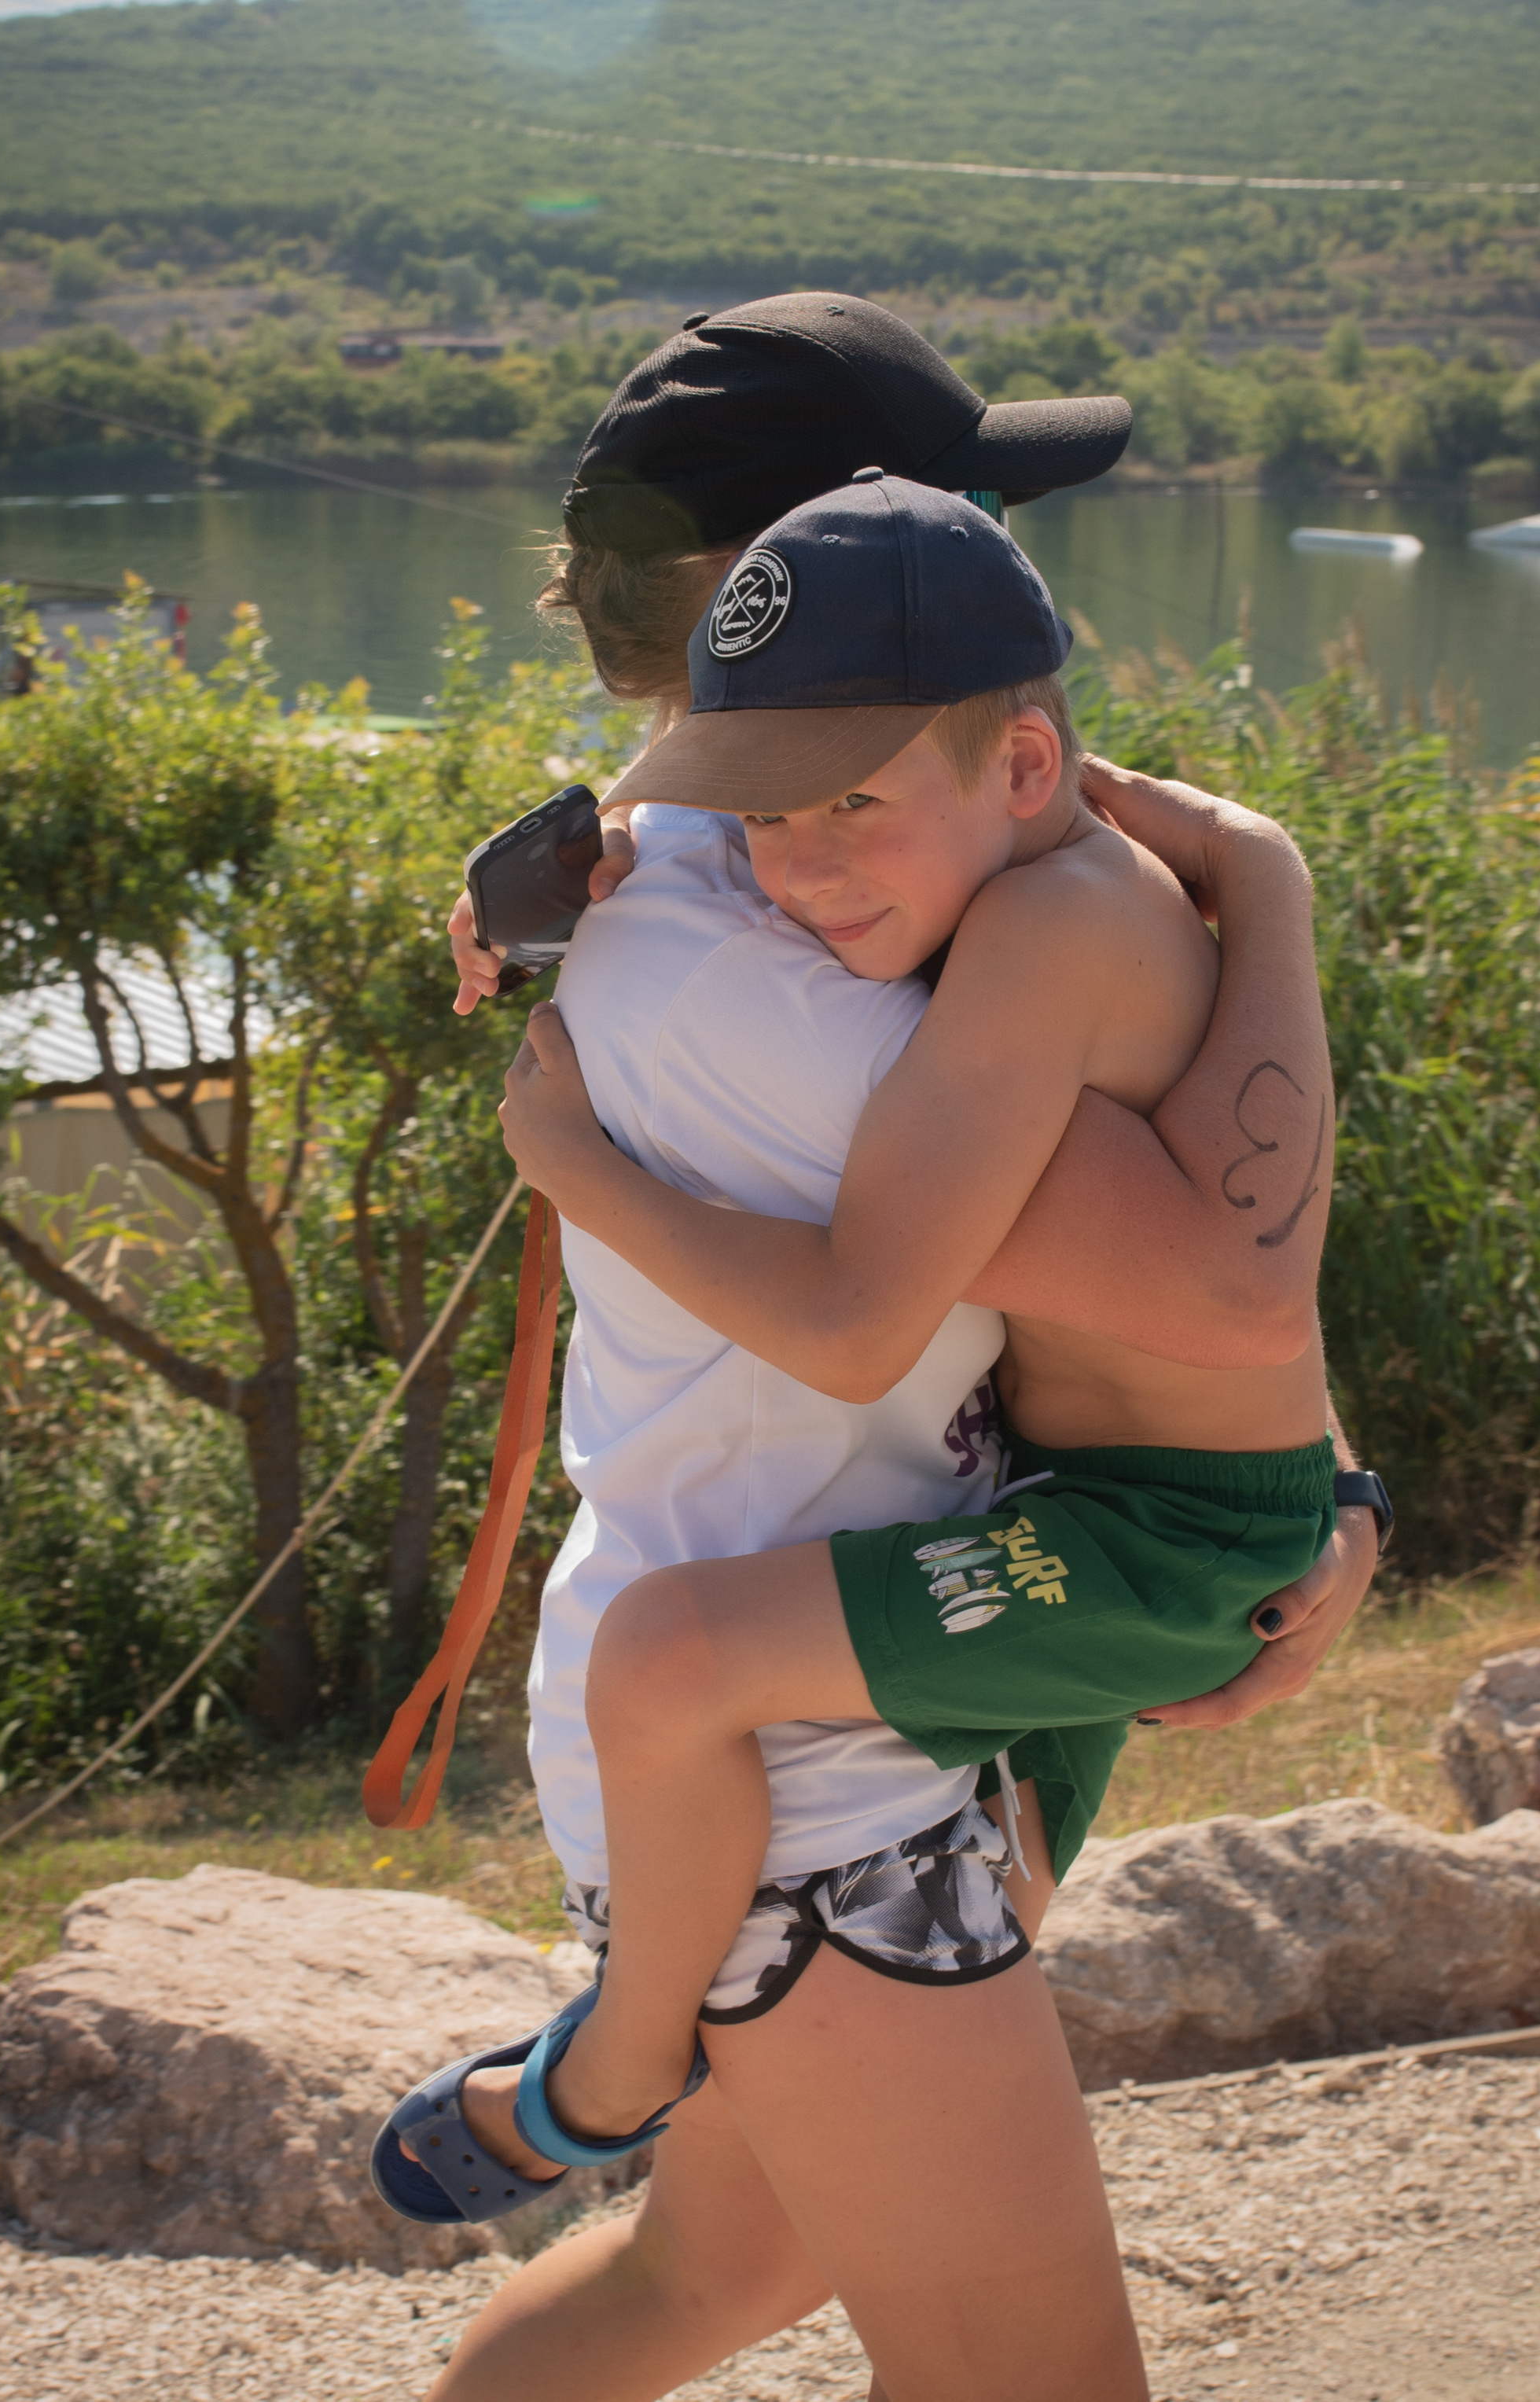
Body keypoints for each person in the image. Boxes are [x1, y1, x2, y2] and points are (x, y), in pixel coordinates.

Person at [410, 297, 1377, 2402]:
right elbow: (1225, 1288)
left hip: (848, 1682)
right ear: (783, 584)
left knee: (692, 2290)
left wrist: (1319, 1484)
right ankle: (602, 2059)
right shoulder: (789, 993)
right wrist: (1274, 887)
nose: (1017, 563)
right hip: (807, 1781)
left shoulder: (820, 893)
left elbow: (1155, 1258)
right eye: (954, 513)